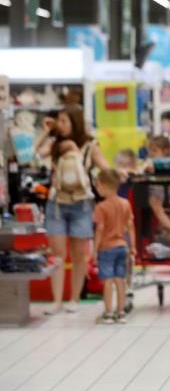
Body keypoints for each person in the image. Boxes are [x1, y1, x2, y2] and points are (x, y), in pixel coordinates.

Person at [34, 105, 110, 315]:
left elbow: (105, 167)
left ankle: (74, 298)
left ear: (75, 122)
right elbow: (32, 154)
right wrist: (46, 132)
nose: (61, 125)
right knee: (57, 254)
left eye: (65, 121)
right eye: (59, 120)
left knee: (79, 255)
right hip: (56, 204)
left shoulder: (90, 145)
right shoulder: (55, 144)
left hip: (82, 203)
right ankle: (56, 300)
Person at [93, 169, 136, 324]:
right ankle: (121, 312)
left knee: (108, 281)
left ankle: (108, 313)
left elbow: (100, 229)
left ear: (104, 185)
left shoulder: (101, 207)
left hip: (106, 248)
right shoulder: (125, 204)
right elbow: (130, 226)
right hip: (122, 246)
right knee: (120, 280)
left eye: (97, 186)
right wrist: (133, 247)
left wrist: (95, 249)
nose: (97, 189)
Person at [145, 136, 170, 234]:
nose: (151, 153)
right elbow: (145, 167)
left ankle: (166, 227)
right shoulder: (150, 162)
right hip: (154, 193)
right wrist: (148, 169)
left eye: (154, 151)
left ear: (166, 151)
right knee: (157, 207)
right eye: (150, 151)